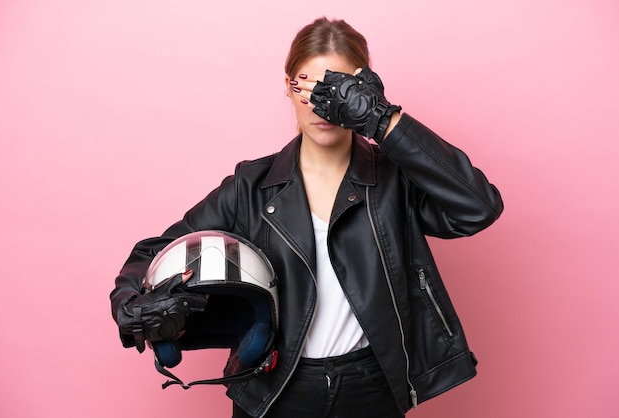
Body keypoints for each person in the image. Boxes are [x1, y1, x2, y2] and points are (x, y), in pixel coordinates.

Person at [110, 16, 504, 418]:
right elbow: (153, 252)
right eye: (307, 86)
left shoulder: (395, 181)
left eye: (337, 90)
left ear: (364, 88)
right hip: (275, 386)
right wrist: (129, 301)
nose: (321, 105)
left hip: (372, 388)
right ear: (287, 87)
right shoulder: (251, 185)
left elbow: (478, 207)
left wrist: (383, 120)